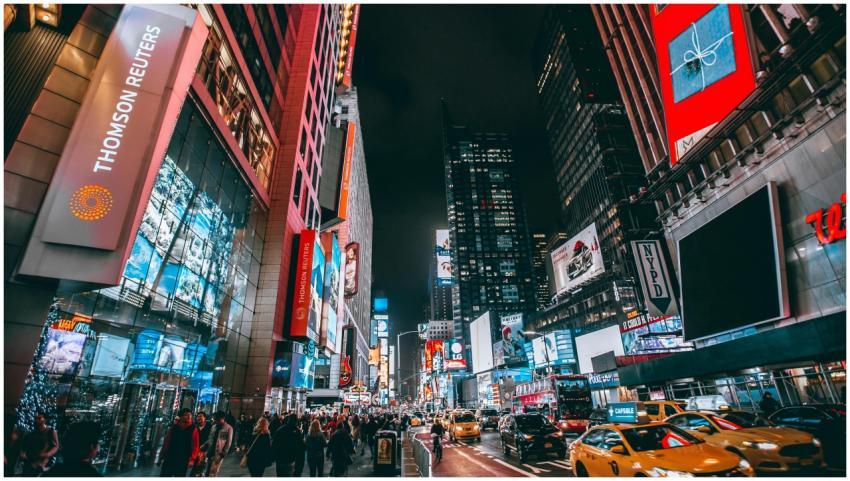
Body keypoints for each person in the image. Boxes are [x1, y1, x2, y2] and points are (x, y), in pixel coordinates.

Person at [159, 408, 200, 477]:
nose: (189, 416)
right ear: (181, 417)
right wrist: (161, 455)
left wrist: (192, 459)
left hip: (184, 458)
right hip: (170, 456)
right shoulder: (174, 427)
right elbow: (166, 442)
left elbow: (195, 445)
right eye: (186, 415)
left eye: (190, 415)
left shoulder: (194, 429)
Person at [21, 412, 59, 476]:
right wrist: (23, 453)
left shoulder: (51, 431)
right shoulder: (31, 433)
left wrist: (47, 454)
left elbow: (55, 446)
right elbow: (25, 446)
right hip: (30, 461)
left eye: (39, 418)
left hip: (43, 462)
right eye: (35, 418)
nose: (36, 420)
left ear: (45, 420)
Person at [205, 412, 233, 477]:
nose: (216, 421)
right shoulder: (213, 427)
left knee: (213, 472)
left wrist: (222, 454)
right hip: (210, 451)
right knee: (207, 471)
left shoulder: (229, 428)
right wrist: (205, 445)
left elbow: (228, 443)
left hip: (219, 453)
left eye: (218, 419)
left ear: (223, 418)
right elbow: (210, 438)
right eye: (215, 419)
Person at [192, 412, 211, 477]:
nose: (198, 418)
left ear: (205, 418)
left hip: (205, 450)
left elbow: (211, 438)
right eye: (198, 416)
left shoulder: (209, 427)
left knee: (202, 467)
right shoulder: (194, 427)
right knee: (194, 467)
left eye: (200, 416)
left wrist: (205, 446)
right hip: (195, 449)